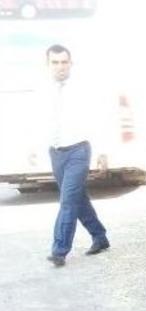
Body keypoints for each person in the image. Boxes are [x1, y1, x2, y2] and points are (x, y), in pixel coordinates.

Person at [43, 44, 110, 268]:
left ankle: (59, 250)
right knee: (77, 199)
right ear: (48, 64)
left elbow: (97, 121)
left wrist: (102, 152)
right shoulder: (43, 90)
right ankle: (99, 236)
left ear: (71, 64)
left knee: (68, 200)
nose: (60, 67)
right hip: (56, 152)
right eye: (55, 62)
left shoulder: (83, 89)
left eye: (64, 62)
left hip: (79, 151)